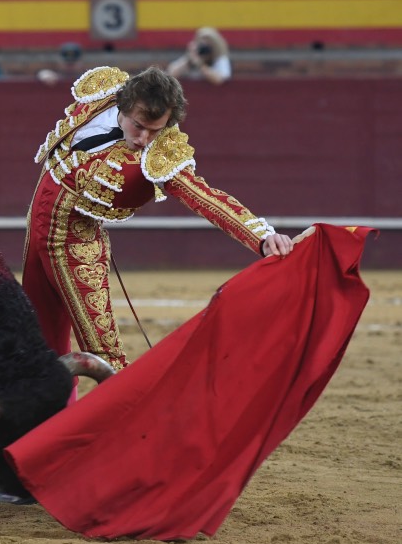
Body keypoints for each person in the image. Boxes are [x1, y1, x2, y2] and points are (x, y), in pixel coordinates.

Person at [23, 66, 293, 371]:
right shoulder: (101, 94)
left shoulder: (162, 154)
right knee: (37, 334)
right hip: (37, 227)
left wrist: (262, 236)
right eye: (139, 126)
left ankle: (120, 404)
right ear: (123, 105)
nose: (144, 139)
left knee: (105, 354)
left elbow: (204, 197)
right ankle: (54, 402)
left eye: (155, 130)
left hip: (76, 245)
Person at [166, 26, 231, 85]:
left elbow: (219, 79)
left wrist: (200, 65)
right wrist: (190, 58)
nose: (205, 47)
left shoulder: (220, 59)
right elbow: (171, 74)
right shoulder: (193, 56)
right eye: (202, 43)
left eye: (208, 44)